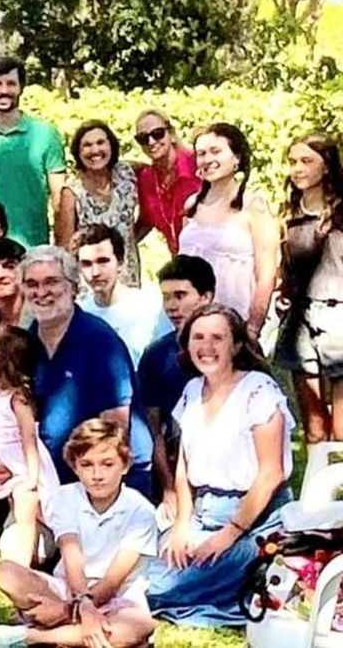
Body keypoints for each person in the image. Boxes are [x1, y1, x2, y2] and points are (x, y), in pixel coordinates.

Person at [147, 305, 295, 627]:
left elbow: (271, 475)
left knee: (160, 584)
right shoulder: (192, 390)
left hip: (254, 521)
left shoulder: (259, 390)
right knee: (148, 559)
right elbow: (184, 464)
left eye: (218, 337)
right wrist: (182, 525)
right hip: (203, 513)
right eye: (198, 337)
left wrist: (230, 534)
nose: (207, 346)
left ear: (236, 345)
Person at [0, 419, 159, 648]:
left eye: (107, 464)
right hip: (68, 587)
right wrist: (81, 604)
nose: (97, 474)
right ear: (75, 467)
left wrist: (69, 609)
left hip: (119, 599)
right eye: (87, 465)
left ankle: (33, 636)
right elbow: (72, 555)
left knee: (140, 626)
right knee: (6, 572)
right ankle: (81, 632)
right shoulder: (64, 497)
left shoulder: (141, 510)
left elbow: (113, 581)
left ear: (125, 465)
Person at [22, 246, 141, 490]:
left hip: (93, 486)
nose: (41, 292)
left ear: (73, 287)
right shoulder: (25, 343)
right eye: (32, 284)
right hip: (43, 483)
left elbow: (115, 430)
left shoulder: (100, 343)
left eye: (51, 282)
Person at [0, 325, 59, 567]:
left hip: (19, 462)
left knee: (23, 498)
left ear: (0, 361)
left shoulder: (18, 398)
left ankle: (26, 557)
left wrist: (32, 476)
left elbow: (29, 438)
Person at [178, 122, 279, 335]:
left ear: (237, 158)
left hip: (234, 318)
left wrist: (254, 326)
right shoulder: (191, 204)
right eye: (201, 154)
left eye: (216, 151)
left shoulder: (254, 206)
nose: (207, 159)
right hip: (190, 320)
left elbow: (267, 272)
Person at [0, 56, 66, 247]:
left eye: (11, 84)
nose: (4, 91)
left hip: (33, 246)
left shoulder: (45, 134)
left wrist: (61, 246)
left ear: (21, 87)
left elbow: (59, 199)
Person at [134, 255, 216, 503]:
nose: (171, 306)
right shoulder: (157, 355)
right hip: (176, 465)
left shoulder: (237, 348)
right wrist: (169, 489)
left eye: (180, 296)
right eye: (166, 297)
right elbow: (154, 428)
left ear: (205, 297)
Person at [278, 132, 343, 443]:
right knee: (315, 428)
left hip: (338, 316)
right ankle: (318, 474)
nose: (298, 169)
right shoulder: (288, 213)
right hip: (300, 320)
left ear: (326, 165)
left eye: (307, 161)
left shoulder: (340, 212)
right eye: (293, 162)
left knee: (341, 427)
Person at [56, 121, 139, 284]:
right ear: (78, 152)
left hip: (127, 277)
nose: (95, 150)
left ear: (111, 145)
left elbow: (154, 173)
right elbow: (64, 249)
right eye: (87, 145)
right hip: (92, 280)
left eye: (100, 142)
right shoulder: (72, 192)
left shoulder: (126, 174)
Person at [73, 224, 170, 364]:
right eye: (87, 264)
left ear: (120, 263)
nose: (95, 272)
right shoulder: (77, 315)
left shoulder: (151, 307)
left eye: (103, 261)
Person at [132, 109, 201, 254]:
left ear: (171, 134)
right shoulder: (146, 179)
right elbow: (146, 220)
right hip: (181, 261)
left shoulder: (197, 164)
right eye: (143, 138)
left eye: (157, 133)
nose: (151, 142)